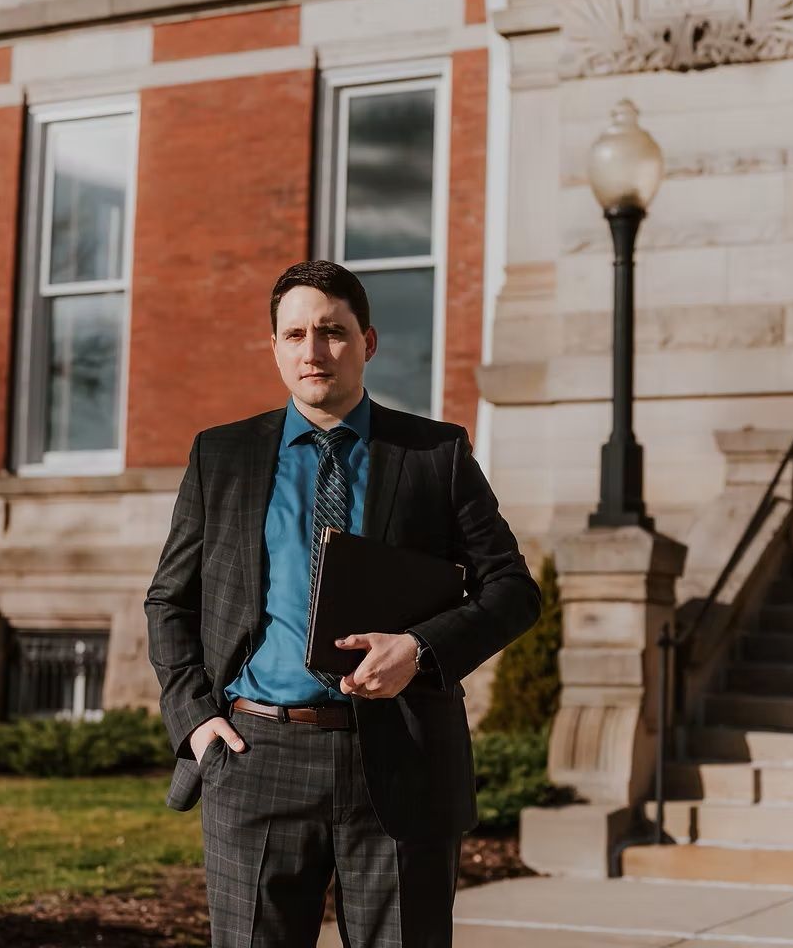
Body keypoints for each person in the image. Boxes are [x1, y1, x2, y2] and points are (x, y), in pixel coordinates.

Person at [145, 260, 540, 948]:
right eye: (294, 334)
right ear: (273, 347)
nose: (313, 350)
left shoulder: (434, 455)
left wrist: (419, 651)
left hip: (401, 756)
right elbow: (169, 601)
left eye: (332, 331)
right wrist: (196, 722)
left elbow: (513, 590)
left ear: (368, 342)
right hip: (255, 754)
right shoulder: (222, 455)